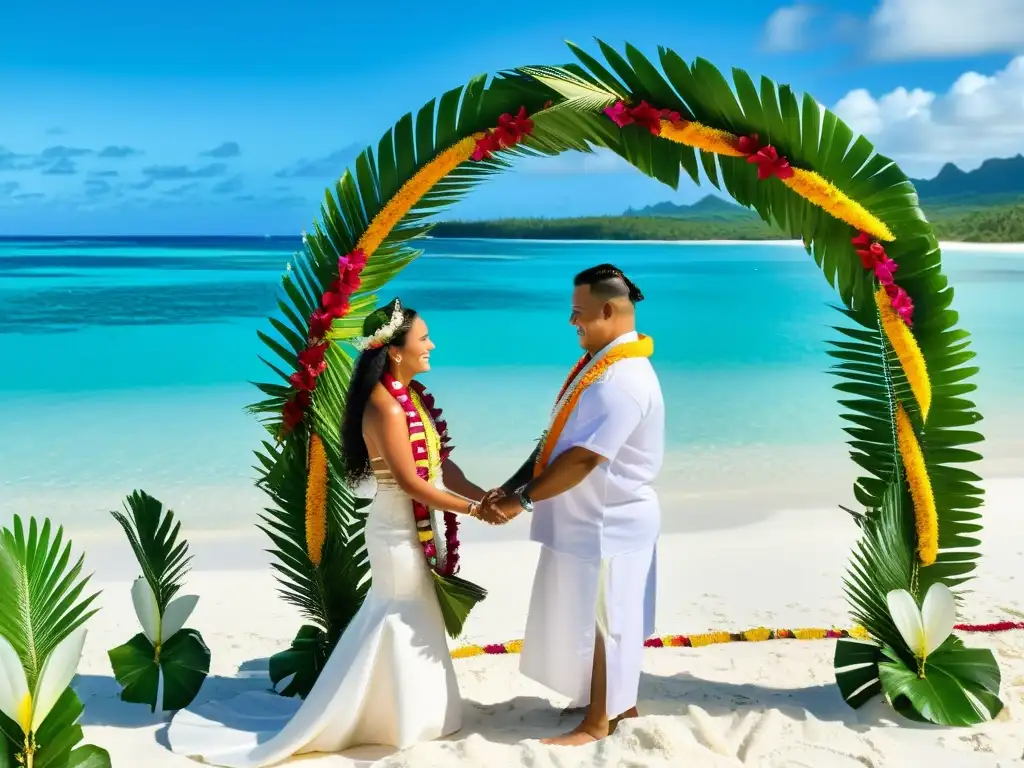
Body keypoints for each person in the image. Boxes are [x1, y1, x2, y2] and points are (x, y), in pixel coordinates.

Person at [168, 298, 491, 766]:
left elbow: (440, 465)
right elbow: (410, 483)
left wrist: (483, 496)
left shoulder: (413, 397)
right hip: (397, 533)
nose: (432, 345)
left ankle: (416, 713)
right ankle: (391, 719)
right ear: (396, 351)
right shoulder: (385, 407)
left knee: (415, 618)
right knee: (396, 618)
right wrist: (477, 511)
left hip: (422, 525)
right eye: (424, 338)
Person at [482, 263, 663, 746]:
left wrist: (521, 500)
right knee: (599, 616)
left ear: (608, 310)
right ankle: (611, 706)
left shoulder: (621, 378)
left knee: (610, 622)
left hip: (613, 521)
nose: (572, 322)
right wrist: (514, 483)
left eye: (578, 312)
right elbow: (556, 441)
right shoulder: (599, 366)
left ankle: (598, 724)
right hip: (593, 519)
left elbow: (584, 459)